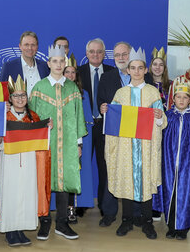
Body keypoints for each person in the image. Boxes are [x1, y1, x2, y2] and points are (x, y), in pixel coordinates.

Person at [104, 48, 166, 239]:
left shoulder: (152, 92)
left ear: (146, 70)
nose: (137, 71)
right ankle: (126, 220)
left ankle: (148, 223)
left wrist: (158, 116)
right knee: (126, 181)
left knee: (145, 181)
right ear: (128, 70)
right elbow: (113, 121)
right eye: (133, 68)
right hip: (125, 146)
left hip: (146, 147)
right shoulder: (121, 93)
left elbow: (162, 122)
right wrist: (106, 110)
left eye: (140, 68)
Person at [29, 44, 87, 240]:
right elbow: (32, 116)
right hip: (45, 143)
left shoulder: (72, 89)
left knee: (64, 182)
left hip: (68, 143)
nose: (58, 64)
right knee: (44, 180)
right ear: (48, 63)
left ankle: (62, 223)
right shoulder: (39, 88)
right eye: (55, 61)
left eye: (62, 61)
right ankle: (44, 222)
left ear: (65, 63)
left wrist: (78, 144)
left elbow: (79, 117)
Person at [97, 41, 152, 226]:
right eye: (118, 55)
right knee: (112, 171)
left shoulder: (148, 81)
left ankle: (136, 214)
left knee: (137, 174)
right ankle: (110, 212)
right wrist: (103, 107)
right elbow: (102, 102)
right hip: (118, 137)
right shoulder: (106, 78)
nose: (121, 58)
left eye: (125, 54)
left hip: (140, 138)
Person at [0, 76, 48, 246]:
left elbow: (40, 140)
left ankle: (20, 228)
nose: (20, 99)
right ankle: (10, 229)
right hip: (9, 160)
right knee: (10, 193)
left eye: (23, 95)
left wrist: (47, 129)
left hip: (28, 162)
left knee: (26, 193)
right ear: (10, 98)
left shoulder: (33, 116)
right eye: (16, 96)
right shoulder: (4, 116)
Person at [154, 77, 190, 239]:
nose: (182, 100)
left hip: (189, 164)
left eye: (185, 97)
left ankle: (183, 228)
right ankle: (171, 226)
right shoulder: (168, 116)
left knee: (185, 194)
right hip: (169, 164)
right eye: (179, 97)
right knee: (170, 192)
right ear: (174, 99)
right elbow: (160, 138)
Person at [77, 38, 115, 223]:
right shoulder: (78, 72)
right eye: (92, 51)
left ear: (104, 53)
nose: (95, 54)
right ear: (87, 54)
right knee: (81, 165)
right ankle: (80, 205)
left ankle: (104, 205)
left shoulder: (112, 72)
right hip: (84, 127)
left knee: (104, 167)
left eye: (99, 51)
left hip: (105, 126)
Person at [63, 55, 94, 221]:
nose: (70, 75)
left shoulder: (84, 94)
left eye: (73, 72)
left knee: (80, 171)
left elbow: (86, 119)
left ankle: (76, 205)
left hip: (82, 137)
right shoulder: (57, 92)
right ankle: (63, 207)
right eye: (66, 72)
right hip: (63, 137)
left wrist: (80, 142)